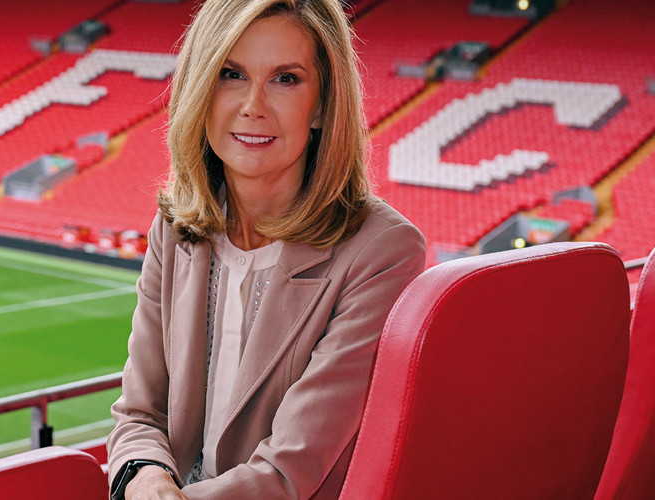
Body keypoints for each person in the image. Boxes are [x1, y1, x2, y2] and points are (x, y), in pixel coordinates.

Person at [106, 1, 428, 499]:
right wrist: (146, 476)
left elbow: (290, 470)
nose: (254, 104)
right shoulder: (173, 228)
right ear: (201, 89)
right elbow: (139, 415)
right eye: (232, 74)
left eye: (286, 79)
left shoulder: (381, 252)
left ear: (321, 104)